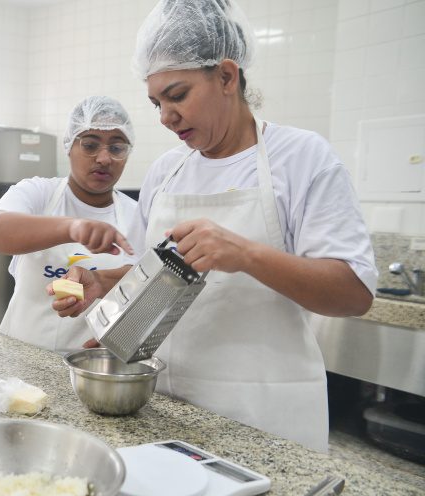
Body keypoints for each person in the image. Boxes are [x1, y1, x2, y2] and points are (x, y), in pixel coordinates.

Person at [51, 0, 377, 453]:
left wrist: (245, 254)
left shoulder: (302, 158)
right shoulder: (167, 169)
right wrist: (102, 283)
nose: (165, 116)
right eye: (156, 102)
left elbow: (353, 293)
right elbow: (159, 271)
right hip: (164, 407)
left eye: (178, 95)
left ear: (227, 76)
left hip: (265, 417)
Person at [0, 96, 138, 354]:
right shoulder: (39, 192)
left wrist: (125, 334)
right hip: (19, 357)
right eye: (90, 145)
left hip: (91, 366)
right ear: (69, 146)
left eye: (117, 148)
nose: (104, 158)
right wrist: (72, 228)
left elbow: (145, 285)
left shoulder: (135, 215)